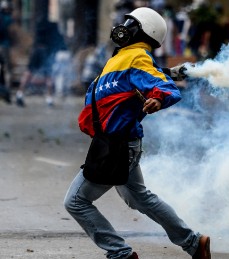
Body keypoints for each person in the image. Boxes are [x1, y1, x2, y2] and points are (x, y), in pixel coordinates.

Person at [63, 7, 211, 259]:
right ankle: (194, 243)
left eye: (131, 23)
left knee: (75, 201)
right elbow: (145, 77)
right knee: (140, 199)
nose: (124, 27)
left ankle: (120, 253)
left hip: (118, 145)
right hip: (115, 142)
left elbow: (162, 87)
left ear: (143, 30)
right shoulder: (123, 56)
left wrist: (158, 99)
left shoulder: (136, 57)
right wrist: (171, 73)